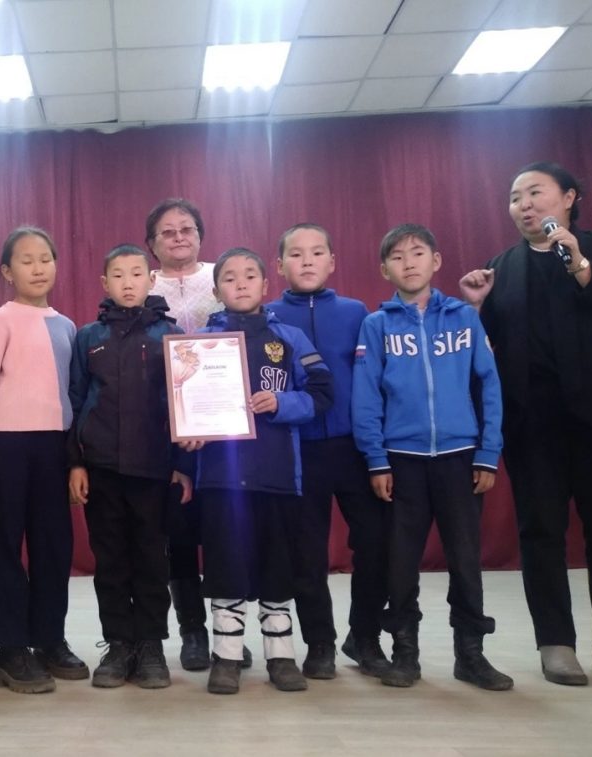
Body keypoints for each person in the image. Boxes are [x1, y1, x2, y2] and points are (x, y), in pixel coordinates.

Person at [460, 162, 592, 686]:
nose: (523, 204)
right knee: (541, 532)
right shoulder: (500, 268)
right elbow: (481, 354)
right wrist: (476, 309)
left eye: (535, 193)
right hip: (533, 427)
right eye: (514, 197)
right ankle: (555, 643)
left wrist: (582, 267)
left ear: (569, 197)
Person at [354, 223, 512, 691]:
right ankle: (405, 653)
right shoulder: (376, 325)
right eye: (397, 256)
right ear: (384, 270)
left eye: (418, 252)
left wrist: (488, 452)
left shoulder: (464, 318)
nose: (409, 262)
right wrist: (376, 459)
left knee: (465, 559)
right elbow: (366, 397)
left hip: (460, 458)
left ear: (436, 261)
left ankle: (471, 654)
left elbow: (489, 385)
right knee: (401, 563)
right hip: (402, 461)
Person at [194, 247, 334, 694]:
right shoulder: (198, 342)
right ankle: (226, 658)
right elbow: (178, 402)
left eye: (249, 275)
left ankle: (281, 656)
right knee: (225, 568)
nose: (240, 283)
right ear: (216, 290)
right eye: (229, 277)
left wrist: (281, 402)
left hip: (277, 476)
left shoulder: (289, 338)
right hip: (219, 479)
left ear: (265, 284)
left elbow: (322, 394)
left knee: (278, 568)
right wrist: (189, 430)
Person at [0, 226, 89, 693]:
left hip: (54, 449)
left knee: (54, 547)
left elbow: (73, 399)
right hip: (6, 448)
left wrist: (75, 460)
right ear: (7, 272)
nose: (38, 268)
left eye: (45, 259)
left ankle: (49, 638)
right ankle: (10, 649)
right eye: (26, 260)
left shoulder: (67, 326)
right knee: (4, 547)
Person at [268, 223, 391, 680]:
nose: (306, 261)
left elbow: (377, 377)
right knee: (306, 552)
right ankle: (319, 642)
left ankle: (365, 636)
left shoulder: (358, 313)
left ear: (332, 261)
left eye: (317, 252)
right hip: (296, 449)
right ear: (279, 265)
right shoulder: (268, 317)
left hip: (354, 446)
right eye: (296, 253)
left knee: (375, 543)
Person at [67, 244, 192, 689]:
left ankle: (152, 646)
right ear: (105, 283)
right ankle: (119, 644)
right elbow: (75, 401)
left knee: (152, 559)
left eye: (136, 273)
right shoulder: (88, 337)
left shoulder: (170, 336)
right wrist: (76, 463)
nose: (127, 282)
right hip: (102, 468)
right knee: (111, 561)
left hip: (153, 468)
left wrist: (182, 464)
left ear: (151, 280)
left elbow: (185, 404)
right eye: (117, 275)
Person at [144, 198, 234, 672]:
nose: (178, 237)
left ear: (200, 235)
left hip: (222, 427)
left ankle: (227, 633)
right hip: (163, 430)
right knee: (177, 533)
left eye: (186, 229)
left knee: (222, 532)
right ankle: (193, 632)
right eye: (167, 231)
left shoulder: (224, 276)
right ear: (152, 243)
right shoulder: (141, 284)